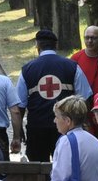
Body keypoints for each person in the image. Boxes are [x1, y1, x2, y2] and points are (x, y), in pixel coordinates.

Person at [11, 28, 89, 162]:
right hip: (67, 128)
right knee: (66, 167)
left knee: (37, 170)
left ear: (37, 46)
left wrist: (18, 132)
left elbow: (20, 105)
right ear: (56, 45)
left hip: (37, 128)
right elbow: (85, 98)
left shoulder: (27, 69)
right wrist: (83, 125)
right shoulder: (72, 66)